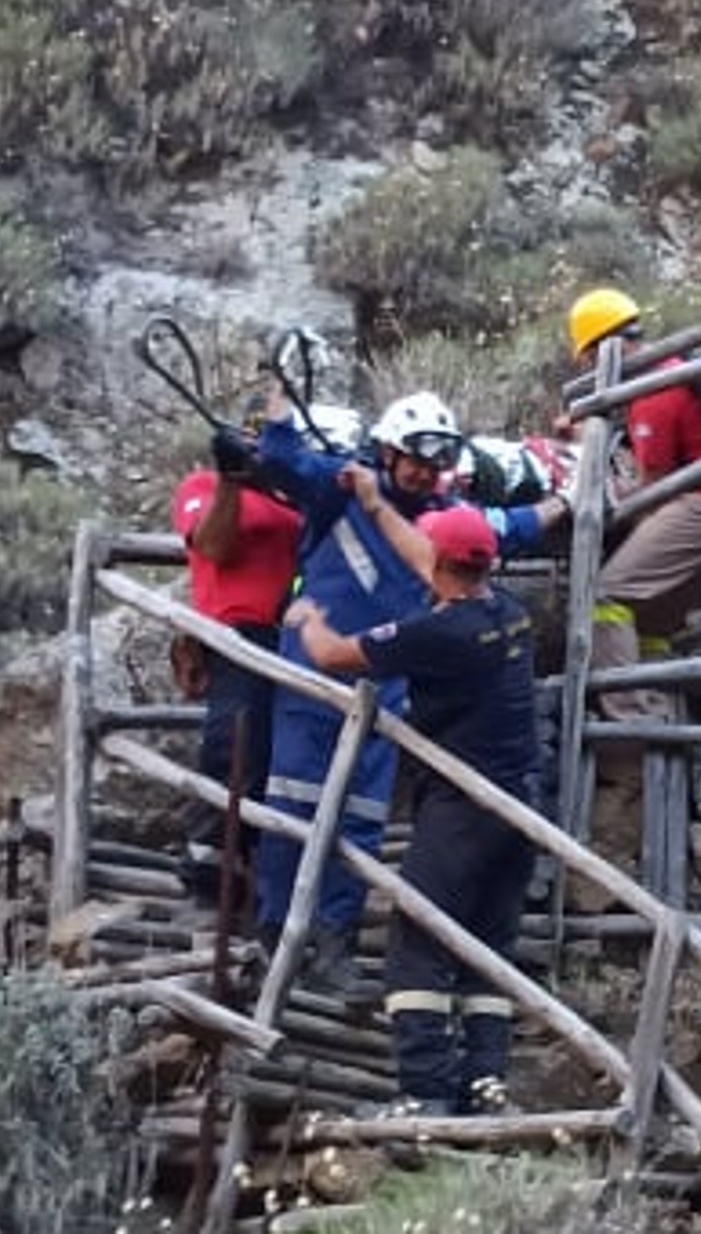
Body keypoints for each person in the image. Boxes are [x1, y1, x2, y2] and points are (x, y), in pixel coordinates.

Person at [250, 385, 562, 1003]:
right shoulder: (343, 486)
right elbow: (280, 463)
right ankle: (275, 936)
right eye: (414, 460)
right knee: (293, 806)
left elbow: (505, 534)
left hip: (380, 681)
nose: (424, 473)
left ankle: (333, 945)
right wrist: (277, 411)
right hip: (312, 679)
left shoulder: (440, 516)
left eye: (435, 463)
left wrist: (566, 500)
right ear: (387, 451)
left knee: (361, 819)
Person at [287, 498, 545, 1116]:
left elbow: (331, 656)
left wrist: (305, 616)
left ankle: (425, 1093)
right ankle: (486, 1086)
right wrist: (374, 503)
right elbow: (426, 554)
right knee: (487, 944)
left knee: (418, 944)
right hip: (519, 806)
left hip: (463, 808)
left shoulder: (438, 633)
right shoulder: (509, 613)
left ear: (440, 564)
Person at [570, 287, 701, 901]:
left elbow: (651, 491)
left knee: (603, 594)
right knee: (650, 616)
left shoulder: (652, 388)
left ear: (606, 346)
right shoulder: (676, 374)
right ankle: (658, 700)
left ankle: (632, 715)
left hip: (699, 510)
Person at [169, 421, 301, 905]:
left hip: (290, 636)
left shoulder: (291, 495)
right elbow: (213, 546)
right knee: (234, 746)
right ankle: (206, 873)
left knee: (275, 758)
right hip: (233, 631)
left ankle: (255, 872)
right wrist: (231, 478)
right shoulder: (202, 487)